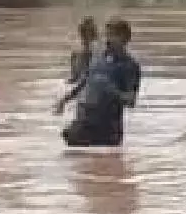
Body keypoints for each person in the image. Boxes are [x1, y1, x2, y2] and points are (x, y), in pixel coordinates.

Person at [54, 17, 140, 147]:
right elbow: (85, 81)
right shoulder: (97, 57)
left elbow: (131, 101)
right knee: (72, 152)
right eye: (107, 35)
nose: (108, 40)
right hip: (84, 121)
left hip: (107, 129)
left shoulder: (129, 66)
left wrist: (111, 89)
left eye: (112, 36)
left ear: (125, 39)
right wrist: (64, 100)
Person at [68, 17, 98, 86]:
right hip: (84, 78)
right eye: (83, 34)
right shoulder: (77, 53)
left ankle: (77, 77)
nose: (84, 37)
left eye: (88, 33)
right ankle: (76, 77)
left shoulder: (96, 47)